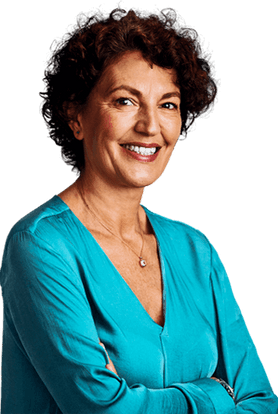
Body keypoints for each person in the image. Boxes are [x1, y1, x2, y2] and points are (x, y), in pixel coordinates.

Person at [1, 3, 277, 413]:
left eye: (168, 104)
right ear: (76, 116)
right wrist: (216, 394)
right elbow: (104, 410)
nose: (151, 126)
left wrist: (136, 398)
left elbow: (262, 402)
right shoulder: (40, 247)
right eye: (125, 101)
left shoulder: (196, 251)